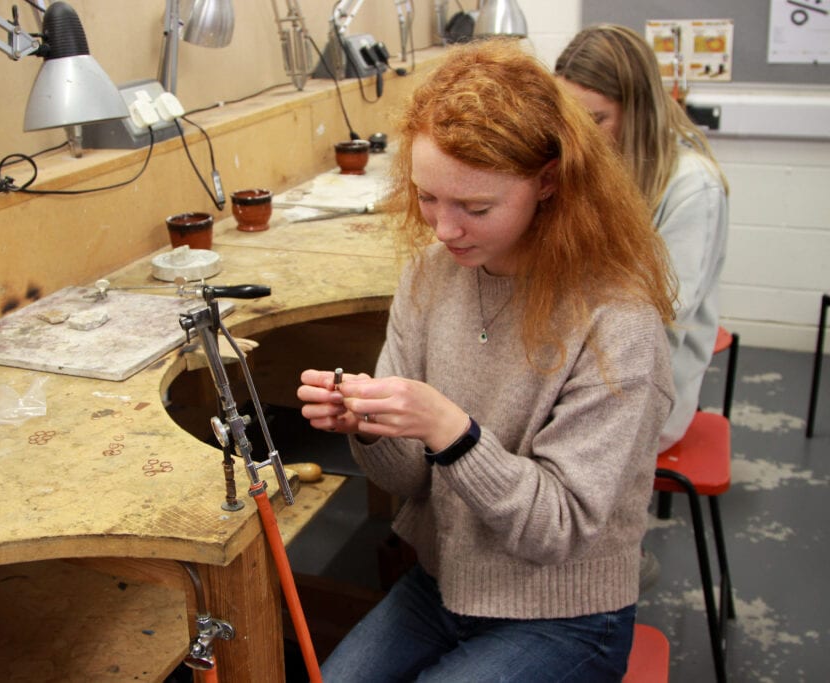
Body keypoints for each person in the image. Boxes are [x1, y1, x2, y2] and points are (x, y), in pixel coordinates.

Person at [296, 39, 676, 682]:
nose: (445, 230)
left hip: (566, 612)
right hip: (444, 584)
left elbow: (558, 528)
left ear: (548, 183)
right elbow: (413, 483)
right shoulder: (429, 277)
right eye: (428, 198)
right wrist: (367, 423)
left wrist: (451, 431)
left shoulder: (618, 321)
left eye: (475, 207)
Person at [555, 24, 730, 453]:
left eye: (597, 119)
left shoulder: (691, 186)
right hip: (578, 359)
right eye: (571, 120)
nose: (581, 138)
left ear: (638, 111)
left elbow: (659, 316)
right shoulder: (588, 163)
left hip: (646, 385)